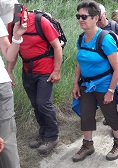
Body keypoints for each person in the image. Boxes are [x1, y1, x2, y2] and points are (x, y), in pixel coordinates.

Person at [72, 1, 118, 162]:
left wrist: (111, 91)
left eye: (84, 16)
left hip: (104, 84)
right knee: (86, 114)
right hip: (86, 84)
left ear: (95, 18)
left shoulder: (105, 39)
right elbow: (80, 62)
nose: (80, 19)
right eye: (78, 16)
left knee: (110, 114)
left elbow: (117, 68)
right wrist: (75, 83)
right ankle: (88, 144)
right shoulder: (81, 39)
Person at [6, 0, 63, 155]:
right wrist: (9, 71)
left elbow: (57, 47)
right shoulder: (11, 25)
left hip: (45, 70)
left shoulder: (40, 21)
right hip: (27, 70)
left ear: (23, 11)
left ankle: (52, 137)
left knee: (43, 103)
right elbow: (13, 50)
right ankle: (43, 133)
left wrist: (56, 71)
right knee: (35, 104)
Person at [0, 0, 27, 167]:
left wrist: (17, 35)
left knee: (7, 142)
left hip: (2, 85)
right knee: (6, 142)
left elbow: (9, 55)